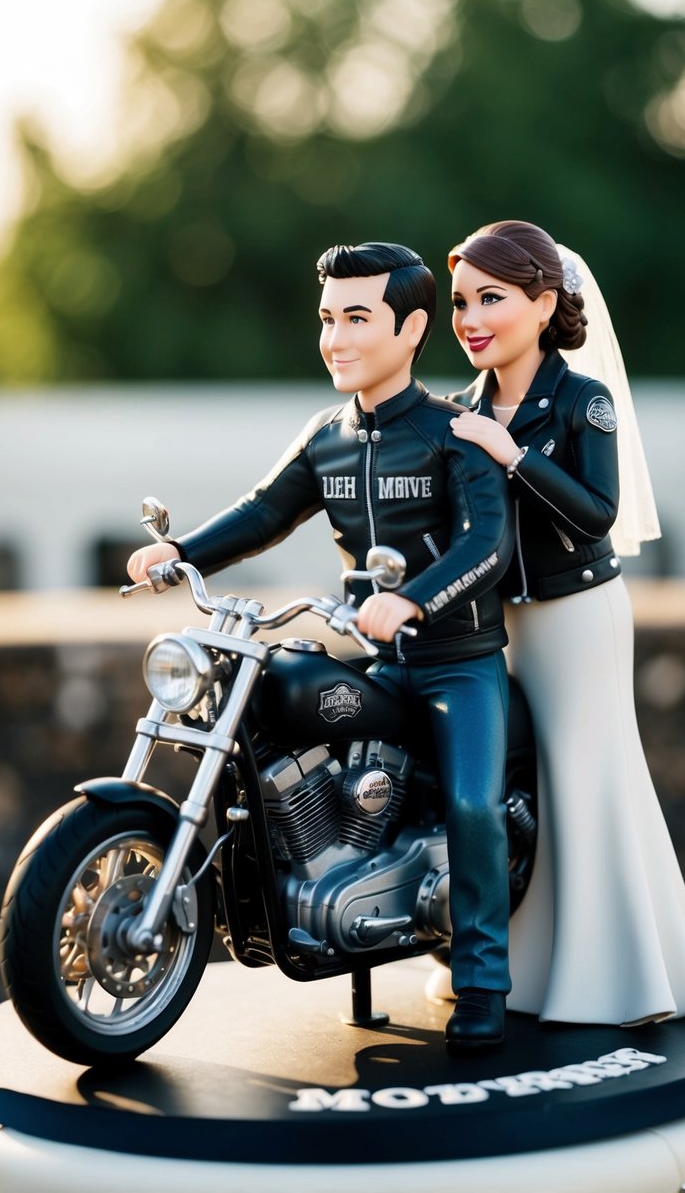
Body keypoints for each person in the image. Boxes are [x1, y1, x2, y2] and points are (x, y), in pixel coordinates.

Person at [127, 241, 517, 1048]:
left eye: (356, 319)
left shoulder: (457, 434)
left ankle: (481, 981)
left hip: (457, 665)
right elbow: (264, 512)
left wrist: (412, 598)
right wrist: (183, 553)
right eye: (326, 320)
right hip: (372, 662)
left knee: (473, 803)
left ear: (412, 330)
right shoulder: (325, 437)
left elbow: (486, 548)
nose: (335, 339)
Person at [432, 219, 685, 1025]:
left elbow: (597, 514)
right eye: (461, 301)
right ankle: (511, 965)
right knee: (512, 790)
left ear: (543, 300)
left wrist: (512, 454)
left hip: (578, 620)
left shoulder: (581, 402)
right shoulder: (461, 408)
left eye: (490, 297)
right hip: (500, 628)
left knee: (584, 782)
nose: (470, 318)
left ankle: (614, 975)